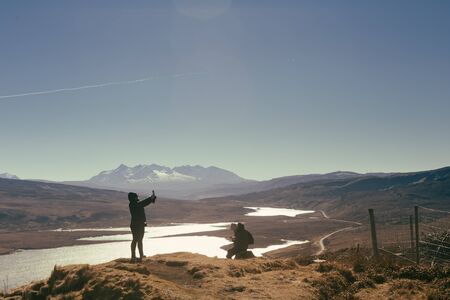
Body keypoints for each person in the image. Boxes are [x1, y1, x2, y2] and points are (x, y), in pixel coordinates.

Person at [128, 190, 156, 262]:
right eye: (136, 196)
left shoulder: (136, 204)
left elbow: (142, 204)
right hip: (136, 225)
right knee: (135, 240)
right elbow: (142, 203)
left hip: (140, 224)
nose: (137, 197)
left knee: (139, 240)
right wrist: (151, 198)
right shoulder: (133, 204)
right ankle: (133, 257)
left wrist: (151, 199)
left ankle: (141, 255)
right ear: (133, 198)